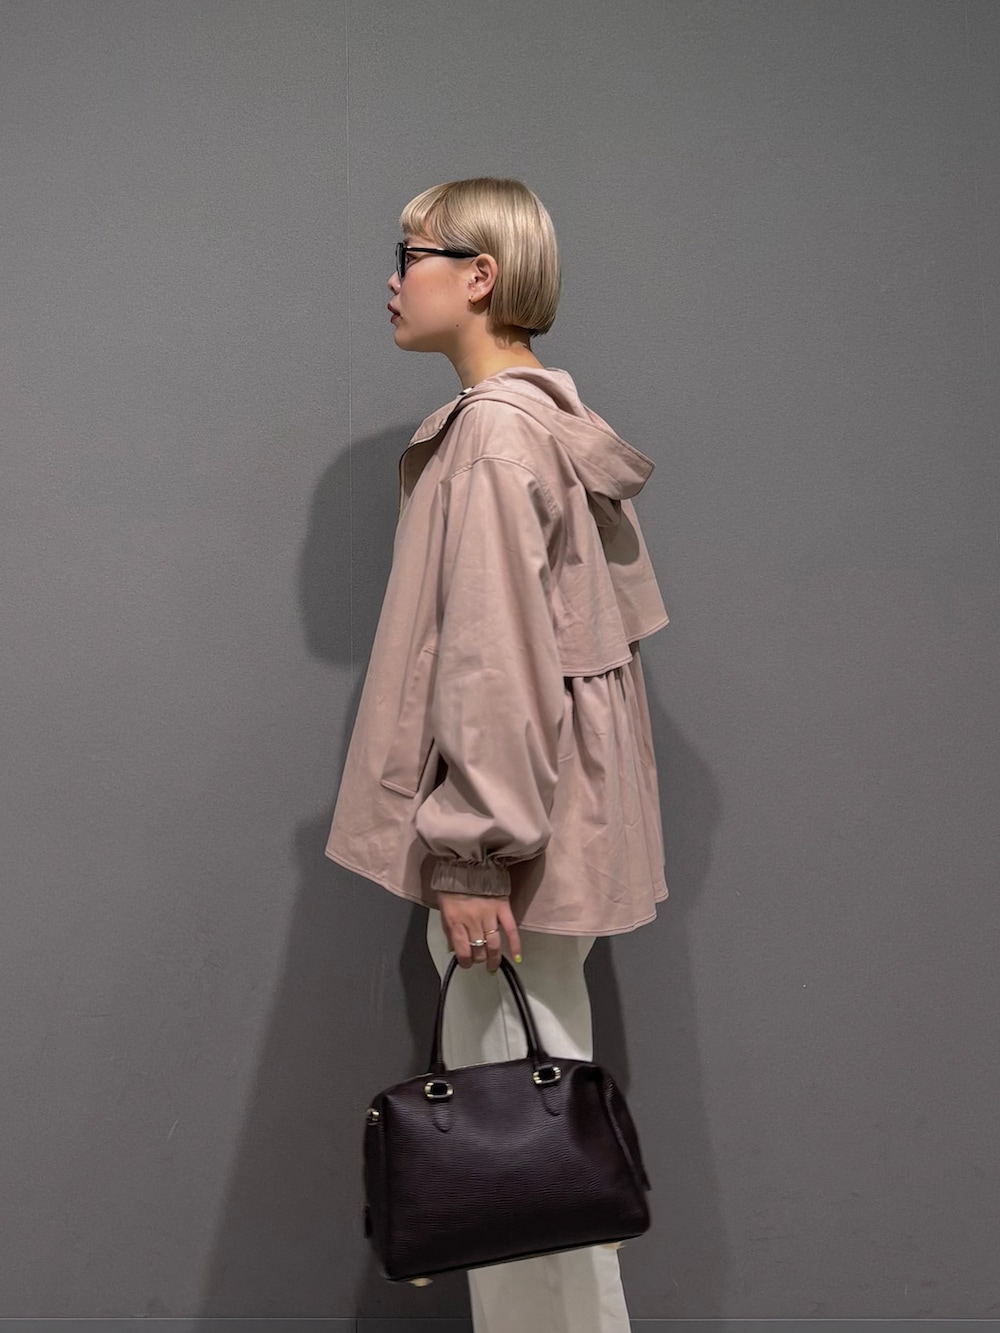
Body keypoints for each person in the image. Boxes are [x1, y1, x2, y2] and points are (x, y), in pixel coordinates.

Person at [325, 177, 669, 1333]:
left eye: (410, 252)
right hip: (556, 816)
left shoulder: (492, 438)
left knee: (521, 1150)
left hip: (510, 838)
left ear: (480, 275)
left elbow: (493, 658)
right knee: (536, 1119)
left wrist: (474, 849)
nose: (390, 278)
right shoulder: (547, 424)